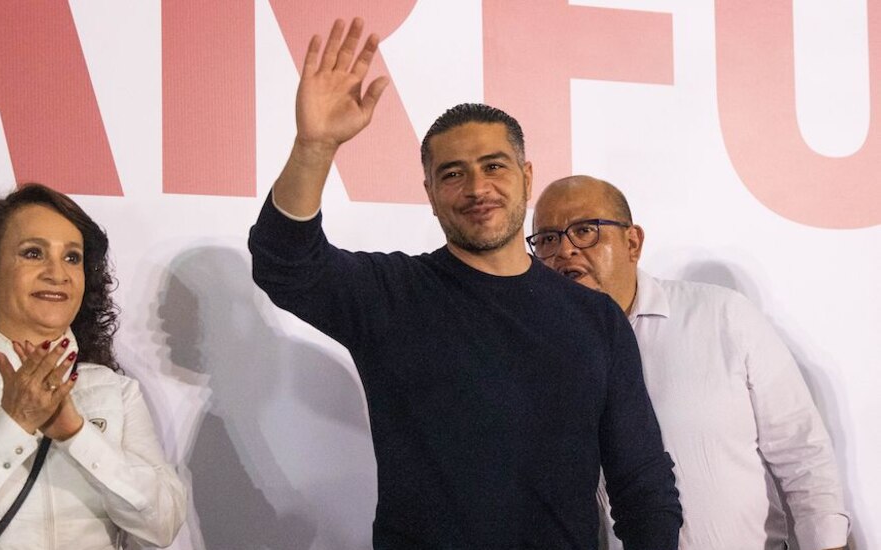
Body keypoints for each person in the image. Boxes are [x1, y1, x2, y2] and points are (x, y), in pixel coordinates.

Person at [248, 18, 681, 548]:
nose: (477, 188)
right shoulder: (393, 294)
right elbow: (283, 262)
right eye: (453, 174)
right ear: (429, 193)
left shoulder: (594, 318)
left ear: (525, 176)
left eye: (493, 166)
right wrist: (314, 147)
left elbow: (643, 485)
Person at [530, 175, 851, 550]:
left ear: (632, 242)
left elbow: (803, 453)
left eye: (585, 230)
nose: (565, 251)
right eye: (548, 239)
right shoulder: (538, 359)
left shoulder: (721, 317)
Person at [0, 184, 187, 549]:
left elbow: (162, 525)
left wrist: (76, 434)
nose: (57, 273)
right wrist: (12, 425)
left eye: (72, 258)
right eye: (33, 253)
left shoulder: (115, 390)